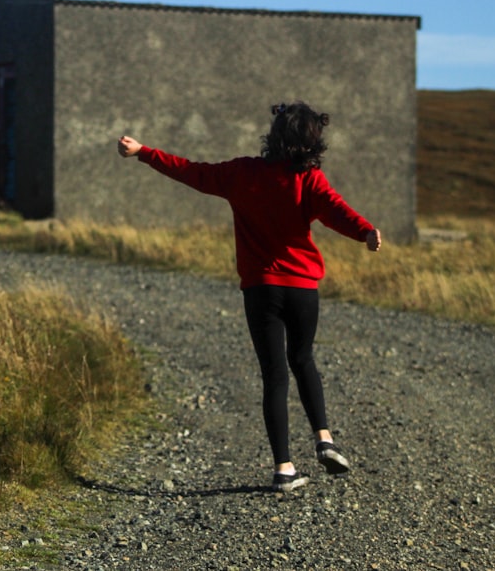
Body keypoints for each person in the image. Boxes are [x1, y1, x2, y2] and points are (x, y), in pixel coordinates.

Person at [117, 101, 381, 492]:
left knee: (274, 374)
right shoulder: (311, 180)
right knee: (303, 359)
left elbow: (191, 172)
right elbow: (337, 212)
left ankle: (284, 469)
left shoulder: (242, 173)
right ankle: (324, 438)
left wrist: (143, 153)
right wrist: (365, 232)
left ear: (274, 136)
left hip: (261, 288)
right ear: (312, 143)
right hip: (303, 287)